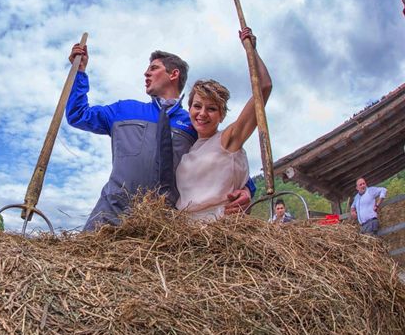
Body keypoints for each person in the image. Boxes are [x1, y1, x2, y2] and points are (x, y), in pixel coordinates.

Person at [66, 41, 255, 231]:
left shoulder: (194, 123)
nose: (146, 73)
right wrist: (79, 73)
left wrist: (247, 188)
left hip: (163, 226)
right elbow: (78, 115)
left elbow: (221, 159)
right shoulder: (123, 110)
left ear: (174, 74)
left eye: (154, 68)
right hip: (110, 214)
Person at [176, 28, 272, 222]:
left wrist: (251, 50)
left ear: (221, 116)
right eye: (197, 106)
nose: (202, 114)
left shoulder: (228, 139)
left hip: (219, 229)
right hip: (184, 232)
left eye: (211, 109)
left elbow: (263, 87)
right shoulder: (189, 147)